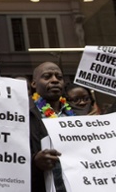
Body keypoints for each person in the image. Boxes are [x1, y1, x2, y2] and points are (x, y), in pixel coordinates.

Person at [30, 62, 74, 192]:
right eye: (47, 76)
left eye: (59, 77)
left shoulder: (76, 114)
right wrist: (35, 163)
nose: (54, 80)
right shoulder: (25, 116)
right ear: (34, 84)